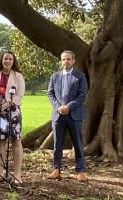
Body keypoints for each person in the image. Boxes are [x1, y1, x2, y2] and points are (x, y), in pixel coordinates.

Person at [47, 50, 87, 181]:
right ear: (61, 61)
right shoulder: (55, 76)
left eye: (68, 59)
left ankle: (80, 171)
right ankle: (56, 169)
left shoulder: (80, 76)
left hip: (74, 115)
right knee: (57, 144)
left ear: (73, 60)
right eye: (64, 59)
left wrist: (68, 107)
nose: (66, 61)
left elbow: (82, 95)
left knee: (78, 143)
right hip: (58, 115)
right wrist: (58, 107)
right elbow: (50, 94)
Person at [0, 50, 25, 184]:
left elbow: (19, 96)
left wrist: (5, 106)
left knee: (16, 142)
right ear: (1, 60)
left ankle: (17, 174)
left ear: (13, 61)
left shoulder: (18, 76)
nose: (7, 61)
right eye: (5, 59)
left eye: (10, 59)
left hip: (13, 113)